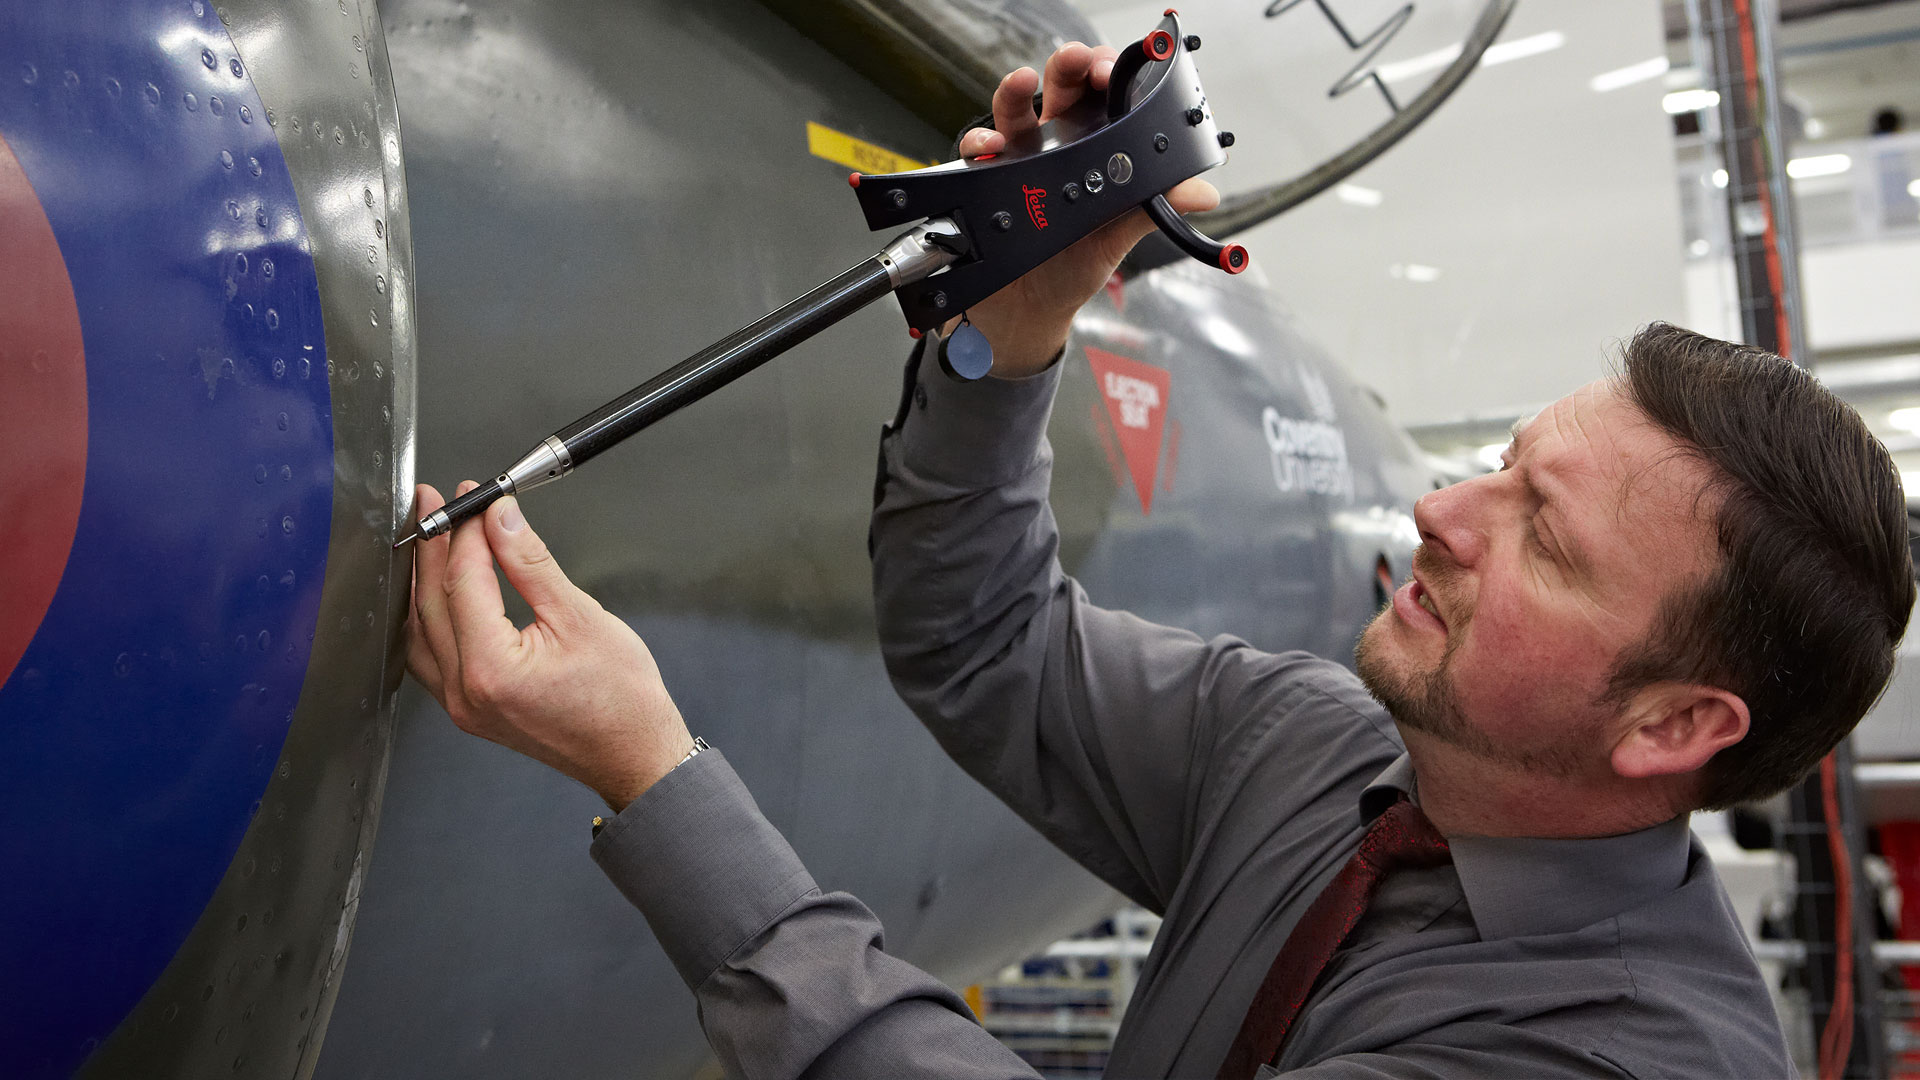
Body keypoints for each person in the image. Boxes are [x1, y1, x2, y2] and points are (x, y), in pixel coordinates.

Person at [405, 42, 1914, 1080]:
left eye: (1544, 535)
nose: (1442, 516)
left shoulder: (1619, 1055)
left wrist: (661, 787)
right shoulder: (1318, 749)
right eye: (1501, 465)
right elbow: (987, 642)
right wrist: (1021, 328)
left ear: (1673, 726)